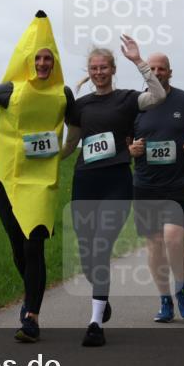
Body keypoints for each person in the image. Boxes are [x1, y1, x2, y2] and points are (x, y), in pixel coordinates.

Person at [0, 11, 73, 343]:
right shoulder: (10, 90)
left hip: (41, 182)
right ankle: (30, 296)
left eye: (47, 58)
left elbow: (84, 121)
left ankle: (32, 317)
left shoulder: (63, 94)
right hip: (7, 181)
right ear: (27, 59)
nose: (42, 63)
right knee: (18, 249)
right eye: (36, 57)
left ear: (54, 61)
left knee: (33, 245)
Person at [61, 36, 166, 346]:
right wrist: (45, 160)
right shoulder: (81, 106)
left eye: (103, 67)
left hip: (116, 182)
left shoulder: (126, 99)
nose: (98, 72)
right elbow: (71, 143)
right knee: (86, 252)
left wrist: (139, 61)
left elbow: (158, 95)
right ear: (89, 71)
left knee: (102, 247)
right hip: (85, 180)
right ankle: (102, 300)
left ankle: (94, 323)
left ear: (112, 69)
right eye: (94, 68)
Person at [127, 53, 184, 323]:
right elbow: (124, 140)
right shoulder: (137, 104)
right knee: (154, 244)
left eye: (161, 68)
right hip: (145, 183)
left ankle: (181, 287)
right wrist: (131, 148)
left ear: (169, 72)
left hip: (176, 183)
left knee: (175, 240)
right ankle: (165, 299)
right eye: (151, 68)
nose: (156, 72)